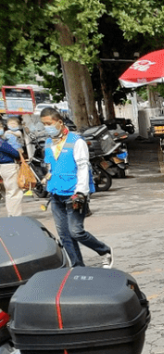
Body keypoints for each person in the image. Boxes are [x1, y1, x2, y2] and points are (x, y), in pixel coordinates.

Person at [39, 107, 114, 267]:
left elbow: (82, 167)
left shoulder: (76, 141)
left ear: (59, 122)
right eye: (44, 124)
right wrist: (46, 180)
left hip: (74, 194)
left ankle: (104, 250)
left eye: (49, 123)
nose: (46, 127)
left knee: (76, 231)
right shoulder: (48, 143)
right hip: (55, 194)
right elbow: (50, 166)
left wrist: (81, 192)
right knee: (64, 235)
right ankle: (77, 266)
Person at [0, 132, 23, 217]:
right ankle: (15, 216)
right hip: (7, 166)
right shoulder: (1, 142)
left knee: (6, 192)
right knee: (13, 192)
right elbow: (15, 153)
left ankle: (11, 214)